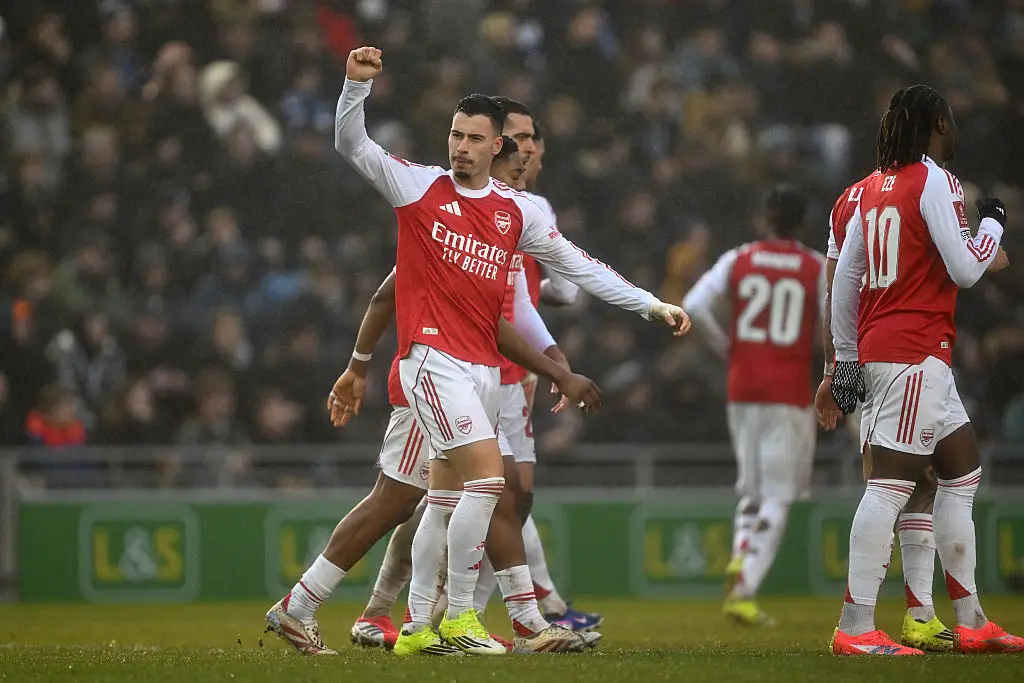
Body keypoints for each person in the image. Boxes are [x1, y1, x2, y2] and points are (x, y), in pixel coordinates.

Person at [267, 46, 689, 657]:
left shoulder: (516, 214)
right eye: (454, 135)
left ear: (499, 148)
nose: (459, 147)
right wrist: (354, 88)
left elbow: (581, 267)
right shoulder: (418, 187)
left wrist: (652, 305)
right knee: (489, 485)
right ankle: (463, 621)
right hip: (431, 365)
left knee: (422, 499)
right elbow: (352, 146)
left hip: (482, 371)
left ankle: (341, 613)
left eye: (472, 138)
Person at [348, 139, 600, 656]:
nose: (524, 181)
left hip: (495, 376)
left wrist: (552, 367)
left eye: (529, 170)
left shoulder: (514, 220)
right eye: (518, 165)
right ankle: (468, 616)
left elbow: (521, 308)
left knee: (455, 501)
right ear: (495, 157)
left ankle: (429, 620)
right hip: (445, 370)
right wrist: (358, 363)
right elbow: (392, 296)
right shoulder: (441, 216)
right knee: (470, 494)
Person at [829, 84, 1021, 655]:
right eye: (952, 121)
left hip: (895, 349)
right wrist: (993, 229)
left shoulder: (870, 190)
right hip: (914, 352)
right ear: (939, 124)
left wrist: (843, 359)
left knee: (961, 473)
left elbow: (844, 278)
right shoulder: (933, 178)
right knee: (890, 488)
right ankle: (855, 627)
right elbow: (964, 269)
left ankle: (971, 619)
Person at [815, 171, 953, 651]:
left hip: (874, 353)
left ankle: (921, 616)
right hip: (894, 352)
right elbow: (841, 286)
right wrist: (837, 369)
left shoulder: (849, 197)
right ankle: (857, 624)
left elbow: (834, 288)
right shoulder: (916, 188)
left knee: (922, 483)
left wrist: (835, 366)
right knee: (889, 482)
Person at [683, 185, 823, 626]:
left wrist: (728, 346)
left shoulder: (737, 259)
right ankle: (745, 585)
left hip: (743, 385)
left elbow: (692, 305)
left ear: (764, 219)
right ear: (802, 224)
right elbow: (836, 322)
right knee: (779, 496)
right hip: (789, 389)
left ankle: (740, 555)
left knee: (752, 490)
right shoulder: (815, 267)